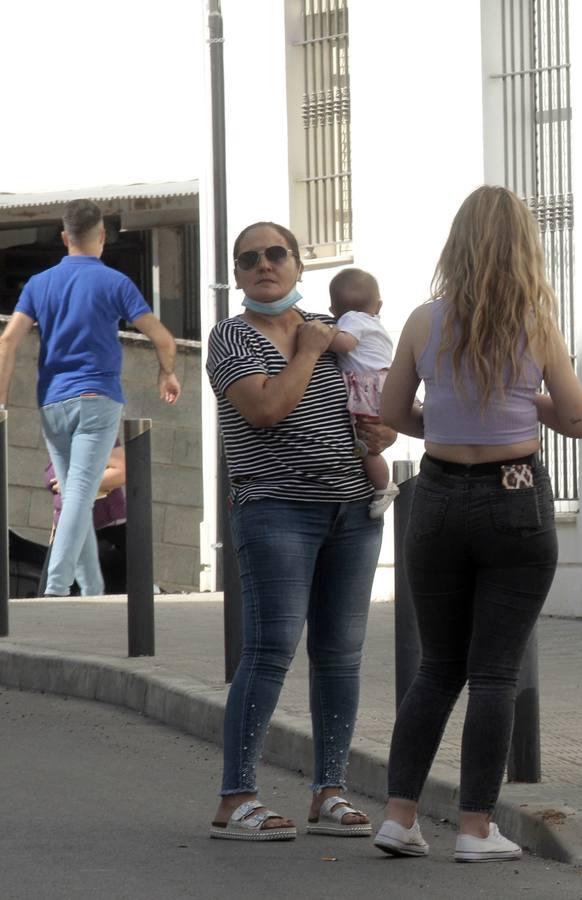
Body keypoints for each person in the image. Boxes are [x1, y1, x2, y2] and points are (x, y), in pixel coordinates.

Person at [374, 186, 582, 862]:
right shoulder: (536, 324)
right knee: (493, 672)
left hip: (437, 495)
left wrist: (442, 423)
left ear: (456, 245)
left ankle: (399, 817)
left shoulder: (421, 321)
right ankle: (474, 828)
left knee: (437, 666)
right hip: (514, 495)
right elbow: (581, 419)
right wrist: (531, 404)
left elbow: (390, 412)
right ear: (526, 248)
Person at [206, 221, 393, 841]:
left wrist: (383, 432)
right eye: (249, 258)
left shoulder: (334, 329)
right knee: (269, 650)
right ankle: (237, 798)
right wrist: (311, 351)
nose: (264, 264)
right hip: (275, 510)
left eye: (275, 253)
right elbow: (264, 408)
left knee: (340, 656)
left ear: (297, 265)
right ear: (237, 275)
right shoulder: (231, 337)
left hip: (351, 509)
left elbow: (374, 399)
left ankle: (329, 792)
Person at [0, 199, 179, 598]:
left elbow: (7, 342)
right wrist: (166, 373)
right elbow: (163, 338)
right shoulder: (115, 282)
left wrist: (2, 402)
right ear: (102, 237)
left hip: (52, 401)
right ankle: (57, 588)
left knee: (72, 492)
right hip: (98, 397)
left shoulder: (39, 284)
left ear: (65, 237)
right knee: (80, 493)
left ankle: (93, 590)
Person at [328, 267, 400, 517]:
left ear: (333, 311)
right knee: (369, 446)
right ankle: (381, 486)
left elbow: (345, 343)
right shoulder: (374, 324)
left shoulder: (350, 320)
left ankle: (383, 488)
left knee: (367, 446)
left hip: (367, 390)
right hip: (383, 386)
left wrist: (319, 336)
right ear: (378, 305)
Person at [43, 444, 128, 595]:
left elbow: (121, 471)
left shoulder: (92, 428)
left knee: (95, 608)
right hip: (67, 533)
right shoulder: (59, 437)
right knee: (52, 604)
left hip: (104, 534)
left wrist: (72, 484)